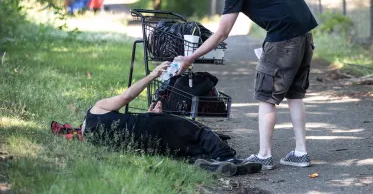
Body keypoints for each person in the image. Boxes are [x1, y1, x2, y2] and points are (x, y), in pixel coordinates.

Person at [175, 0, 318, 170]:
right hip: (304, 33)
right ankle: (301, 153)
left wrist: (190, 57)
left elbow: (222, 32)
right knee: (295, 95)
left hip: (282, 38)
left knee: (266, 98)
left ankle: (264, 156)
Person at [81, 61, 262, 176]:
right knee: (197, 130)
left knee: (183, 146)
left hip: (147, 146)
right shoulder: (96, 108)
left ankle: (206, 160)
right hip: (148, 126)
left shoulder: (93, 139)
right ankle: (227, 157)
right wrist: (153, 75)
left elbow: (126, 136)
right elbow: (126, 97)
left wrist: (150, 114)